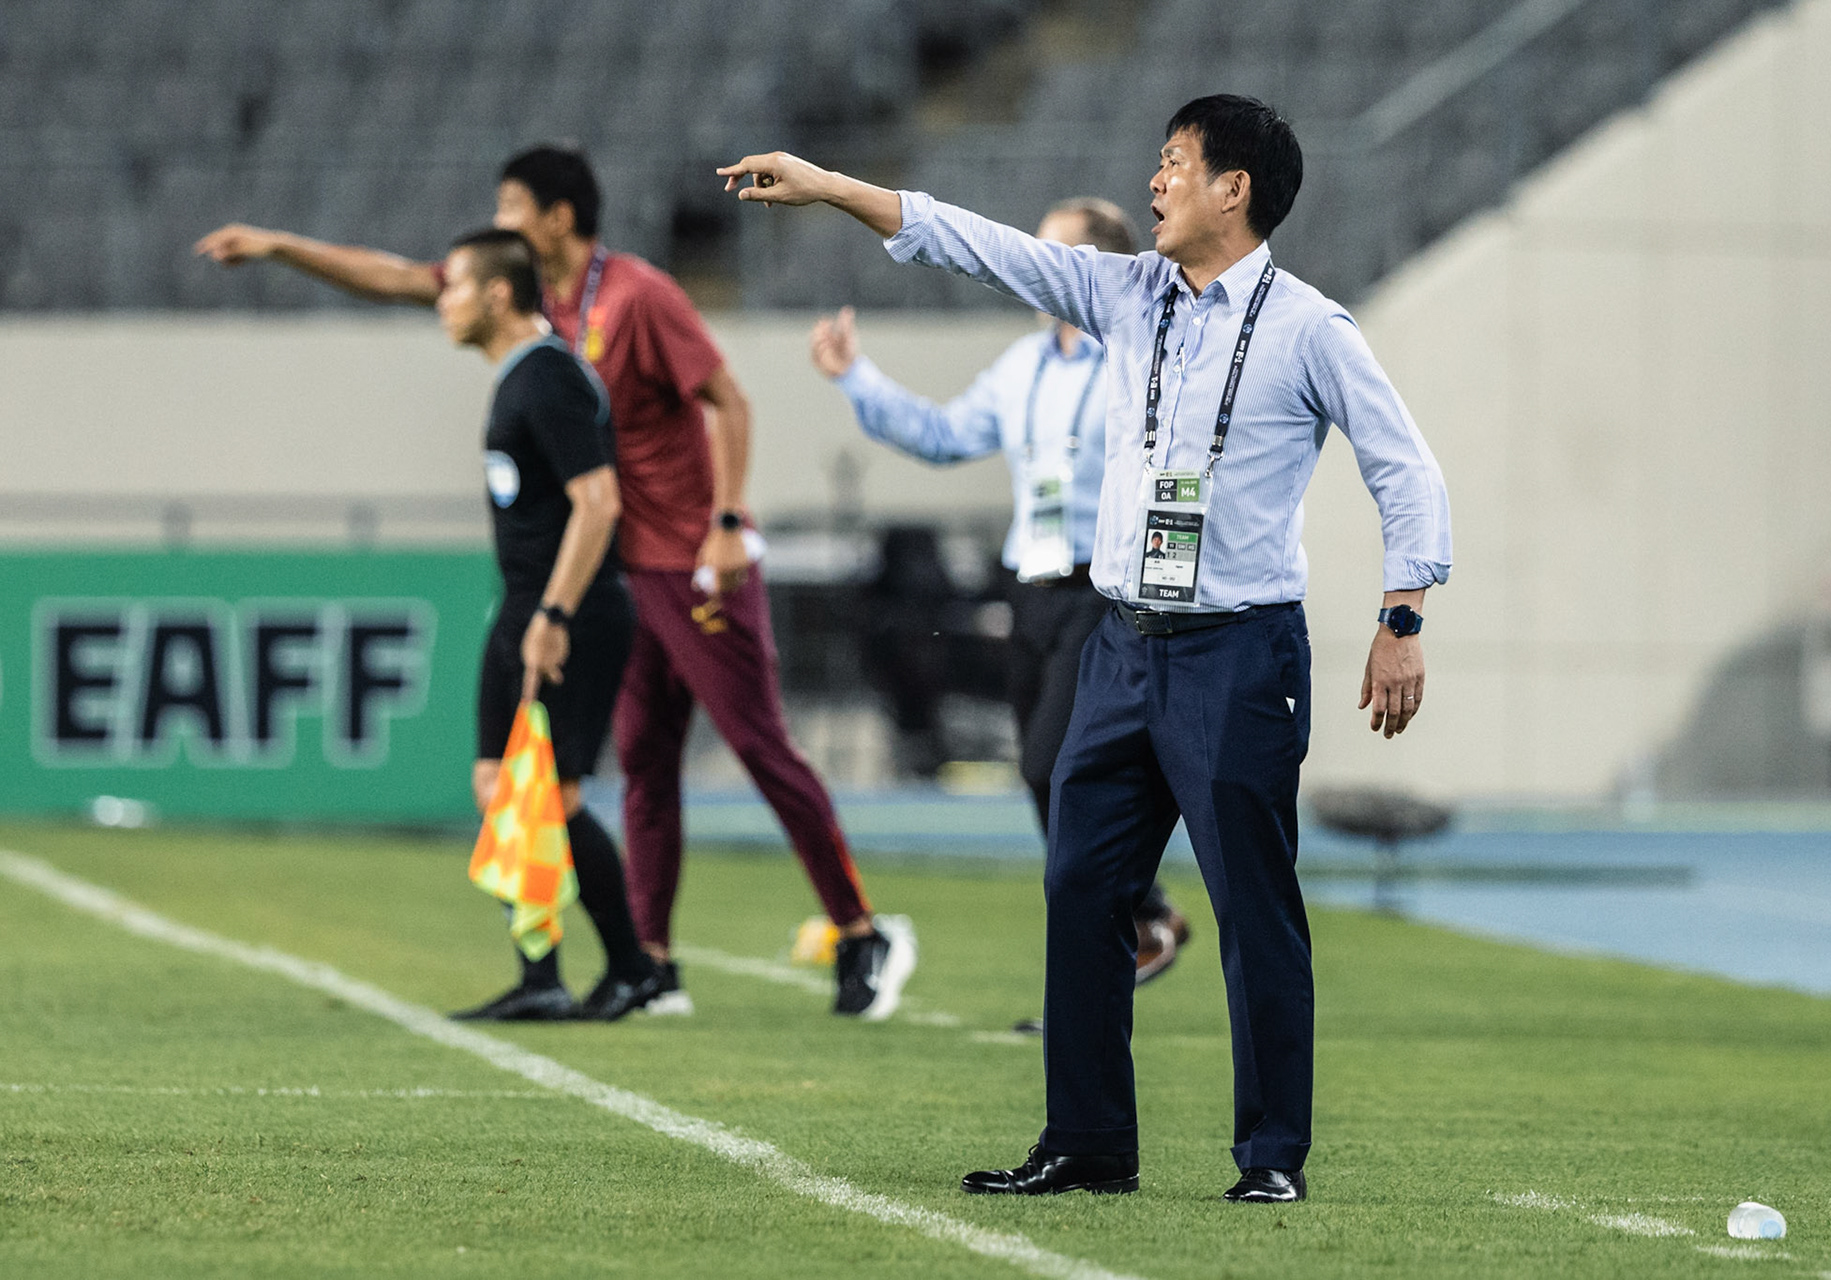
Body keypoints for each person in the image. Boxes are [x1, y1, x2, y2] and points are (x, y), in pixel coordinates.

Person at [721, 91, 1452, 1201]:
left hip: (1239, 652)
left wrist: (1402, 618)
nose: (1154, 182)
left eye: (1174, 162)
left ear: (1233, 189)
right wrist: (830, 187)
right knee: (1079, 880)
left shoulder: (1311, 327)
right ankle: (1090, 1140)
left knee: (1254, 903)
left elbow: (1406, 468)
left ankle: (1270, 1156)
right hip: (1120, 643)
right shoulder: (1123, 293)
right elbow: (980, 245)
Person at [195, 147, 915, 1022]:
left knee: (759, 747)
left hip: (690, 560)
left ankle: (860, 929)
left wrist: (727, 524)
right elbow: (391, 278)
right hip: (611, 567)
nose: (498, 225)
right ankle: (649, 963)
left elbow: (729, 400)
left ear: (558, 217)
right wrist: (277, 247)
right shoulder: (524, 302)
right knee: (644, 768)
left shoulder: (639, 296)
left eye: (511, 206)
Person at [809, 197, 1191, 992]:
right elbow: (946, 437)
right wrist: (858, 379)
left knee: (1055, 767)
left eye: (1054, 253)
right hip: (1031, 588)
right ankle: (1134, 924)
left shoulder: (1139, 357)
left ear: (1096, 268)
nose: (1034, 266)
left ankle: (1131, 918)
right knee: (1039, 773)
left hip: (1104, 586)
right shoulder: (1023, 366)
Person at [440, 227, 663, 1022]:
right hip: (526, 607)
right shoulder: (517, 376)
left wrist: (555, 614)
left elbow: (598, 502)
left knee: (556, 795)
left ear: (498, 294)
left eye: (454, 286)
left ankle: (636, 969)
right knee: (497, 784)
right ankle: (541, 978)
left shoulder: (549, 379)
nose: (443, 300)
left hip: (571, 613)